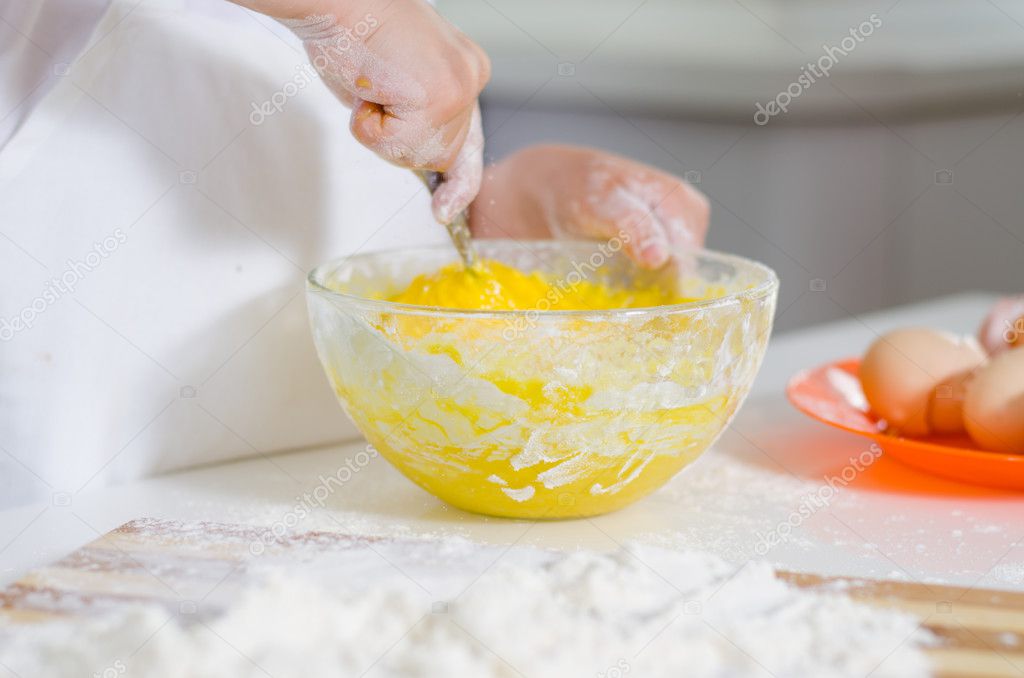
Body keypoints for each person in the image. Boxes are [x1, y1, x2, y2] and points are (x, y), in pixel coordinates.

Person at [0, 0, 709, 508]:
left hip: (350, 513)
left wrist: (497, 213)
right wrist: (348, 11)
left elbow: (355, 221)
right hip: (71, 520)